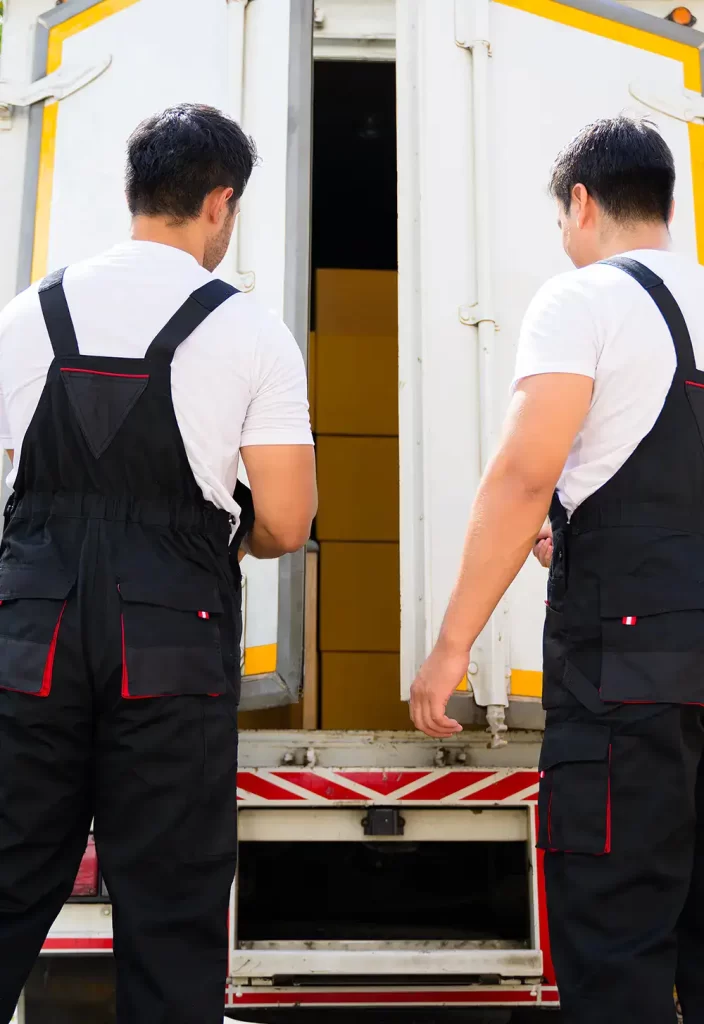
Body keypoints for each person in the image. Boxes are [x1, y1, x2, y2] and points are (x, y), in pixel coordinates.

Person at [0, 104, 316, 1024]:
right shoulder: (251, 332)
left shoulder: (28, 313)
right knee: (169, 908)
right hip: (171, 641)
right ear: (221, 203)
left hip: (33, 632)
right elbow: (288, 521)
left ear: (135, 190)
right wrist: (229, 539)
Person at [410, 115, 704, 1024]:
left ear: (582, 203)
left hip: (629, 691)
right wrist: (577, 530)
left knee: (616, 944)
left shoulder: (583, 301)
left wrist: (452, 642)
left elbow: (523, 476)